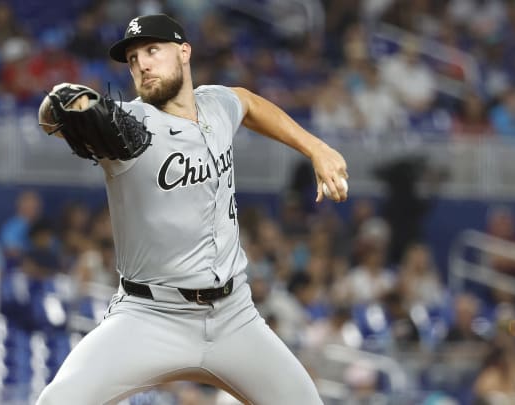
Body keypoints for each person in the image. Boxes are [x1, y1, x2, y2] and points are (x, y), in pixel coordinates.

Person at [35, 14, 348, 404]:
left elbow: (247, 103)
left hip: (234, 315)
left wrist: (315, 148)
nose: (142, 64)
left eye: (152, 50)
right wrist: (62, 101)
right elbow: (50, 117)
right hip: (149, 316)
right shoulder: (129, 124)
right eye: (132, 59)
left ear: (184, 52)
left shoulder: (215, 104)